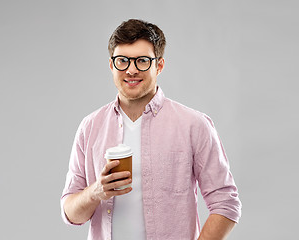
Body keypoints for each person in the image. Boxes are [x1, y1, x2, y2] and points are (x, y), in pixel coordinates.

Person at [61, 19, 242, 240]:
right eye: (122, 61)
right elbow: (71, 213)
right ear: (111, 65)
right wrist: (96, 191)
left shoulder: (194, 125)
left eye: (142, 61)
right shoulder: (90, 127)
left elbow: (226, 203)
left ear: (159, 65)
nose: (132, 69)